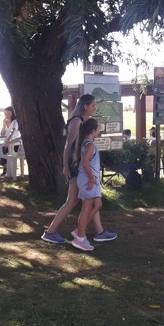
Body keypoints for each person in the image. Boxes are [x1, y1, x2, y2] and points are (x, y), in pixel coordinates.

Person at [41, 94, 117, 245]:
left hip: (76, 165)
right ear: (85, 106)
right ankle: (50, 232)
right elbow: (68, 146)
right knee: (72, 201)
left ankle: (99, 232)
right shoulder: (76, 122)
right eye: (93, 105)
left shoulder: (81, 121)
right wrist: (66, 166)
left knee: (87, 199)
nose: (95, 108)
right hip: (75, 166)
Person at [71, 118, 103, 251]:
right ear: (93, 130)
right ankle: (80, 238)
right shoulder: (90, 145)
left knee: (98, 204)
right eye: (98, 128)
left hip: (87, 179)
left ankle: (80, 230)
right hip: (88, 180)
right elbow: (85, 163)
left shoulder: (85, 143)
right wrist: (91, 179)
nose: (99, 130)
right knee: (86, 209)